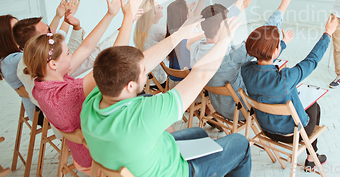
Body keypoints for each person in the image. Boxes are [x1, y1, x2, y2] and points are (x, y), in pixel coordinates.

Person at [81, 17, 251, 177]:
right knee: (240, 144)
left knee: (198, 133)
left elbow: (140, 62)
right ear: (130, 86)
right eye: (143, 72)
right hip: (176, 171)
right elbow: (199, 76)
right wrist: (223, 41)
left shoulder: (93, 99)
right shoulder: (144, 114)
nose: (146, 73)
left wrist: (179, 36)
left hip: (143, 155)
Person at [24, 0, 142, 174]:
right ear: (54, 63)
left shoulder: (43, 82)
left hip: (83, 153)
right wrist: (127, 19)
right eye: (68, 53)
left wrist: (110, 15)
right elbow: (113, 63)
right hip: (96, 158)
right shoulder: (66, 93)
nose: (72, 54)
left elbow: (86, 47)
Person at [241, 15, 338, 171]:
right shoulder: (285, 78)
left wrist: (283, 44)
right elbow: (311, 60)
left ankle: (311, 156)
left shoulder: (245, 71)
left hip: (266, 130)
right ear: (274, 51)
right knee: (315, 106)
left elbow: (263, 58)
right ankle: (311, 156)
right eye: (278, 45)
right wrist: (328, 33)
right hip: (293, 134)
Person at [190, 0, 294, 122]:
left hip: (218, 106)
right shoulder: (229, 56)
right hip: (240, 110)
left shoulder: (195, 50)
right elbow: (264, 34)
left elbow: (220, 21)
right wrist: (285, 1)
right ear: (222, 26)